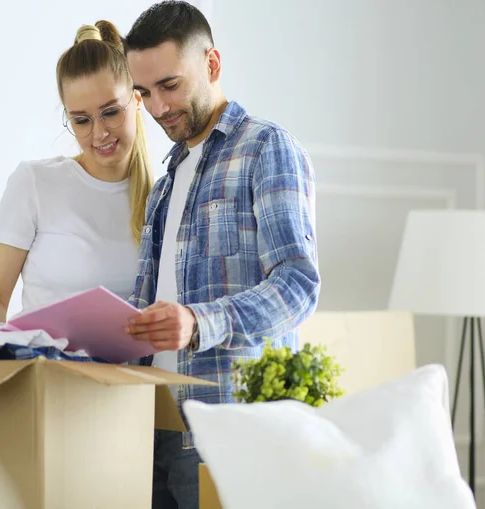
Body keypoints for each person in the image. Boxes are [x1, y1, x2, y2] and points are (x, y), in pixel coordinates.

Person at [123, 2, 321, 507]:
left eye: (170, 85)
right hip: (149, 429)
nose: (158, 107)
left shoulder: (266, 148)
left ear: (212, 65)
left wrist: (197, 321)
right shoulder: (168, 179)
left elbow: (298, 285)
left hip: (226, 433)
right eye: (143, 93)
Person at [0, 20, 154, 326]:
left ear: (137, 100)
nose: (100, 134)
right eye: (81, 120)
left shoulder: (162, 199)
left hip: (127, 375)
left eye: (111, 112)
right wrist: (0, 360)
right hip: (41, 371)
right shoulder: (36, 183)